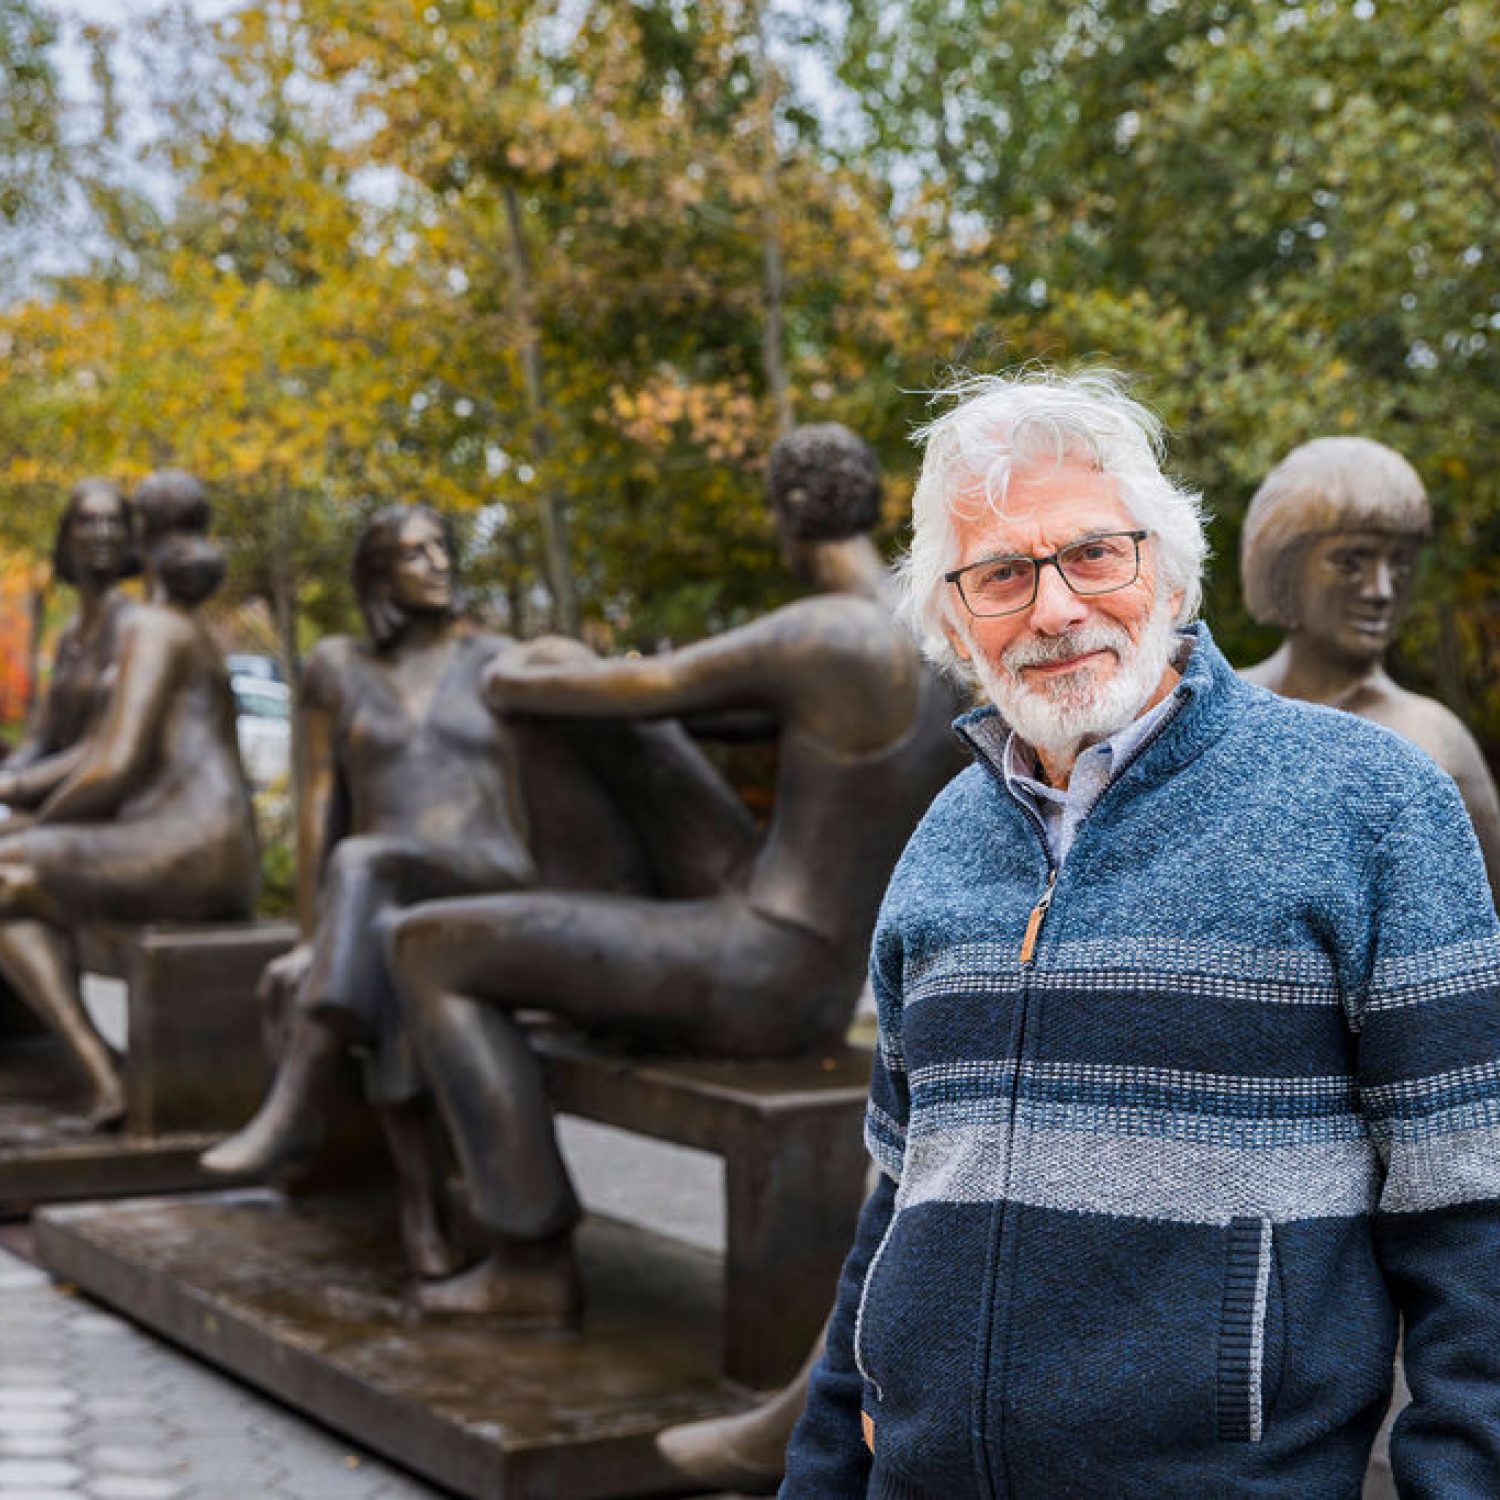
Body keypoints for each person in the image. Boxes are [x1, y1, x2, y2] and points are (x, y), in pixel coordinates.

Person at [782, 371, 1500, 1498]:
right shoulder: (944, 837)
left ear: (1163, 565)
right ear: (955, 623)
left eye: (1093, 554)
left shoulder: (1373, 805)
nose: (1056, 608)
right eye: (1003, 574)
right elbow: (898, 1197)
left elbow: (1475, 1219)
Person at [386, 422, 964, 1323]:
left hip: (760, 968)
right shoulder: (931, 634)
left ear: (790, 514)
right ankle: (594, 926)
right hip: (815, 965)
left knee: (427, 948)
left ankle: (527, 1255)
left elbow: (639, 692)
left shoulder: (827, 633)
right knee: (582, 697)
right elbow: (703, 714)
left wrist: (514, 670)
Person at [202, 502, 753, 1277]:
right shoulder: (338, 668)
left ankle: (302, 1097)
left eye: (442, 547)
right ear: (377, 574)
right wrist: (309, 941)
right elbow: (322, 816)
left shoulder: (498, 659)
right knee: (394, 936)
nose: (437, 562)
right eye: (413, 552)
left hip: (493, 872)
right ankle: (420, 1212)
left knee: (371, 875)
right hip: (394, 890)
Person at [0, 470, 258, 1126]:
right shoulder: (162, 625)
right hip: (183, 835)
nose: (106, 537)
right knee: (10, 884)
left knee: (7, 873)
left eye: (120, 523)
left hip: (187, 842)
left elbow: (110, 764)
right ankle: (98, 1071)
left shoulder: (149, 627)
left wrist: (29, 835)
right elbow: (54, 749)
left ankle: (103, 1074)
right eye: (88, 522)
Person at [1239, 435, 1500, 905]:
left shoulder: (1434, 740)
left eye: (1399, 564)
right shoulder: (1219, 710)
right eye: (1350, 561)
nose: (1381, 590)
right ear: (1283, 566)